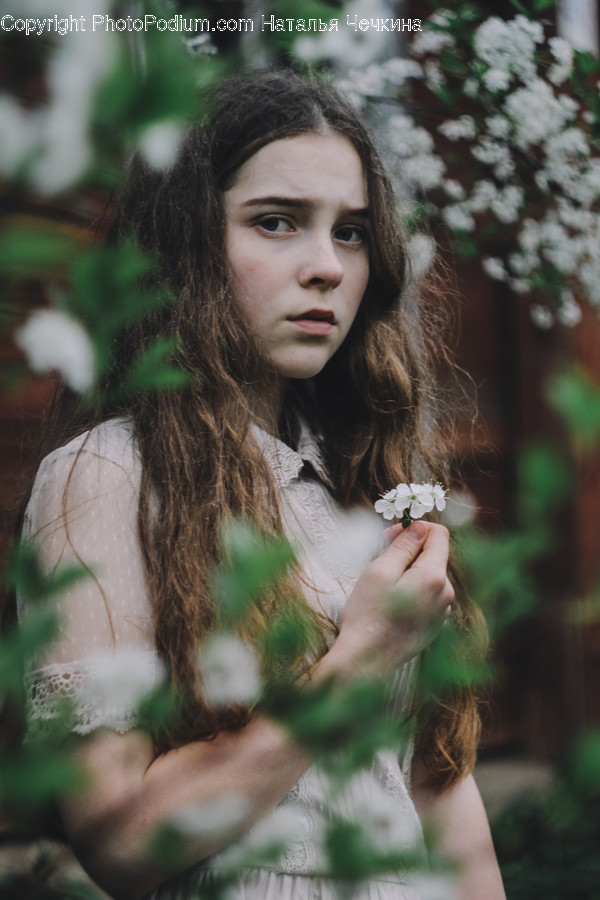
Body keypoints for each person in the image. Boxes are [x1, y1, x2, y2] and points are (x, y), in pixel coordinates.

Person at [12, 69, 505, 900]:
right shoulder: (106, 477)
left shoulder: (364, 477)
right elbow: (125, 844)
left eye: (350, 232)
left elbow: (438, 784)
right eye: (276, 222)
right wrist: (359, 659)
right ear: (185, 244)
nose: (326, 267)